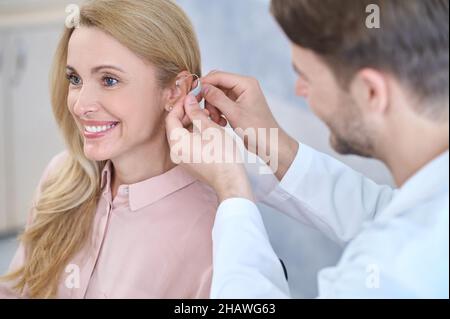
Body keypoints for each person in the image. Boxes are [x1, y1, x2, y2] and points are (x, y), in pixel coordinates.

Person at [165, 0, 449, 298]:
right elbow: (381, 212)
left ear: (371, 92)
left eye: (306, 76)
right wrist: (275, 147)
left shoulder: (397, 274)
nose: (299, 90)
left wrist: (232, 189)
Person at [0, 0, 217, 299]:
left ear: (175, 90)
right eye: (75, 79)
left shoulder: (210, 228)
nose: (80, 104)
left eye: (109, 80)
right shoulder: (61, 177)